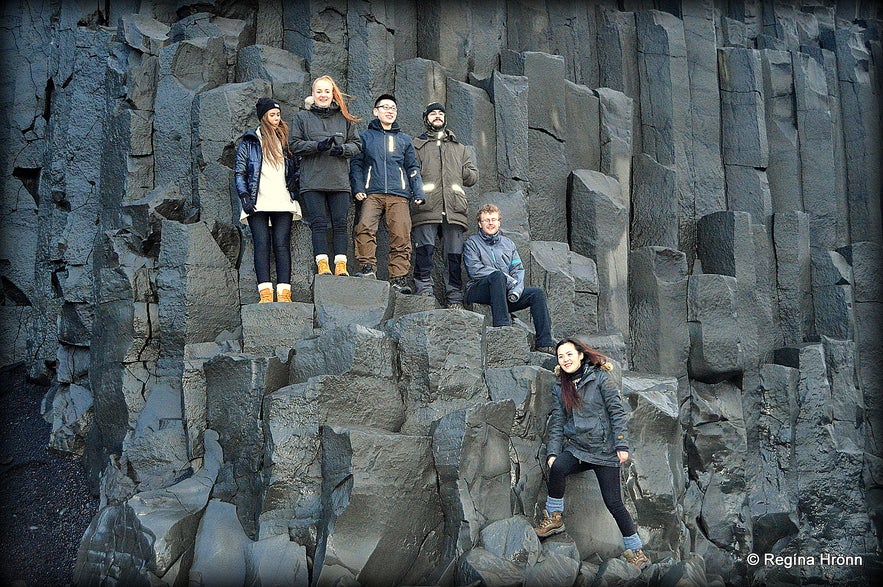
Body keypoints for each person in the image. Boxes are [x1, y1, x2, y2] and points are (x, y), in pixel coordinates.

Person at [534, 338, 651, 569]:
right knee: (557, 467)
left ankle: (636, 551)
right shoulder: (560, 386)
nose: (565, 360)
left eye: (569, 354)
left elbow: (617, 413)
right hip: (578, 448)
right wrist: (553, 452)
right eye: (560, 357)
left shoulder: (600, 379)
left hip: (605, 451)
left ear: (580, 355)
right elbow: (557, 422)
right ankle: (555, 518)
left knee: (614, 503)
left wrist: (621, 445)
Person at [349, 94, 425, 294]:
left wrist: (418, 191)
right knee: (364, 227)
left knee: (401, 235)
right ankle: (367, 269)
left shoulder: (404, 140)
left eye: (393, 108)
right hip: (371, 193)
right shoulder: (365, 136)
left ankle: (398, 279)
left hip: (399, 195)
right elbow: (356, 164)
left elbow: (412, 168)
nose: (390, 111)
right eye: (385, 107)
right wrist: (358, 187)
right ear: (375, 111)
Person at [291, 75, 362, 276]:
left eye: (327, 91)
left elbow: (357, 145)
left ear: (333, 94)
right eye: (319, 91)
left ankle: (341, 265)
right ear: (312, 94)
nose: (323, 95)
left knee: (340, 224)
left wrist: (342, 150)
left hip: (339, 181)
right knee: (318, 224)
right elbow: (294, 145)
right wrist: (316, 146)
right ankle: (322, 265)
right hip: (312, 181)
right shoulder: (302, 117)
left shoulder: (345, 118)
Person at [411, 102, 478, 308]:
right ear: (426, 118)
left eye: (440, 113)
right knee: (424, 251)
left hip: (454, 209)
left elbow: (473, 176)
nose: (437, 116)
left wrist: (460, 171)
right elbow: (409, 172)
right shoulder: (416, 146)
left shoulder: (460, 148)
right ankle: (424, 291)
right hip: (426, 206)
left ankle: (454, 299)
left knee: (454, 257)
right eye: (433, 114)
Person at [235, 97, 302, 303]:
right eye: (272, 115)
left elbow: (296, 167)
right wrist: (244, 195)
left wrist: (295, 183)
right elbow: (240, 172)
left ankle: (284, 293)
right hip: (258, 201)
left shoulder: (285, 140)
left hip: (282, 199)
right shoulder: (250, 141)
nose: (276, 118)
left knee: (282, 245)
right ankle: (265, 293)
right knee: (261, 244)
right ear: (263, 117)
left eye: (278, 115)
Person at [463, 204, 554, 353]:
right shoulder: (472, 243)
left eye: (493, 219)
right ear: (480, 223)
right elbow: (475, 270)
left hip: (505, 294)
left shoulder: (508, 244)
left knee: (537, 294)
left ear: (499, 222)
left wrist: (516, 289)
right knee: (498, 276)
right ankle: (503, 328)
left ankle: (544, 342)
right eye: (486, 220)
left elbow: (518, 269)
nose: (490, 223)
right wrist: (507, 279)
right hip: (478, 290)